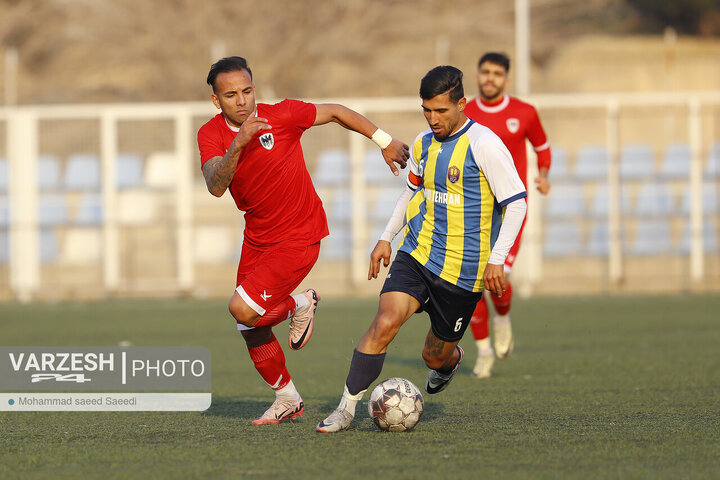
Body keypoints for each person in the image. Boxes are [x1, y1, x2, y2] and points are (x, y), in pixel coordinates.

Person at [197, 56, 409, 425]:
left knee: (242, 310)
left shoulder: (282, 115)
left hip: (299, 233)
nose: (243, 101)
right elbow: (216, 186)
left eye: (247, 91)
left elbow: (337, 112)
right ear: (217, 101)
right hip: (258, 236)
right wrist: (239, 143)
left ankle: (299, 303)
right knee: (249, 325)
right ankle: (286, 398)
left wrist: (384, 140)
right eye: (231, 95)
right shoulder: (210, 134)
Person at [316, 65, 527, 433]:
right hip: (418, 252)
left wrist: (497, 260)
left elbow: (518, 203)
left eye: (441, 111)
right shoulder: (423, 143)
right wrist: (386, 237)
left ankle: (450, 361)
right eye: (426, 110)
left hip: (463, 271)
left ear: (462, 103)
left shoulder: (485, 145)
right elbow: (412, 191)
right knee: (384, 323)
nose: (433, 119)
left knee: (433, 354)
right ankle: (345, 410)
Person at [463, 52, 552, 379]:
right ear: (476, 76)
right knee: (471, 285)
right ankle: (484, 352)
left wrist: (543, 174)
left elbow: (542, 147)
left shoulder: (524, 112)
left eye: (497, 73)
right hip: (473, 210)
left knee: (497, 281)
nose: (490, 78)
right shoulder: (465, 112)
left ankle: (502, 318)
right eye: (485, 72)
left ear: (506, 79)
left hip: (510, 208)